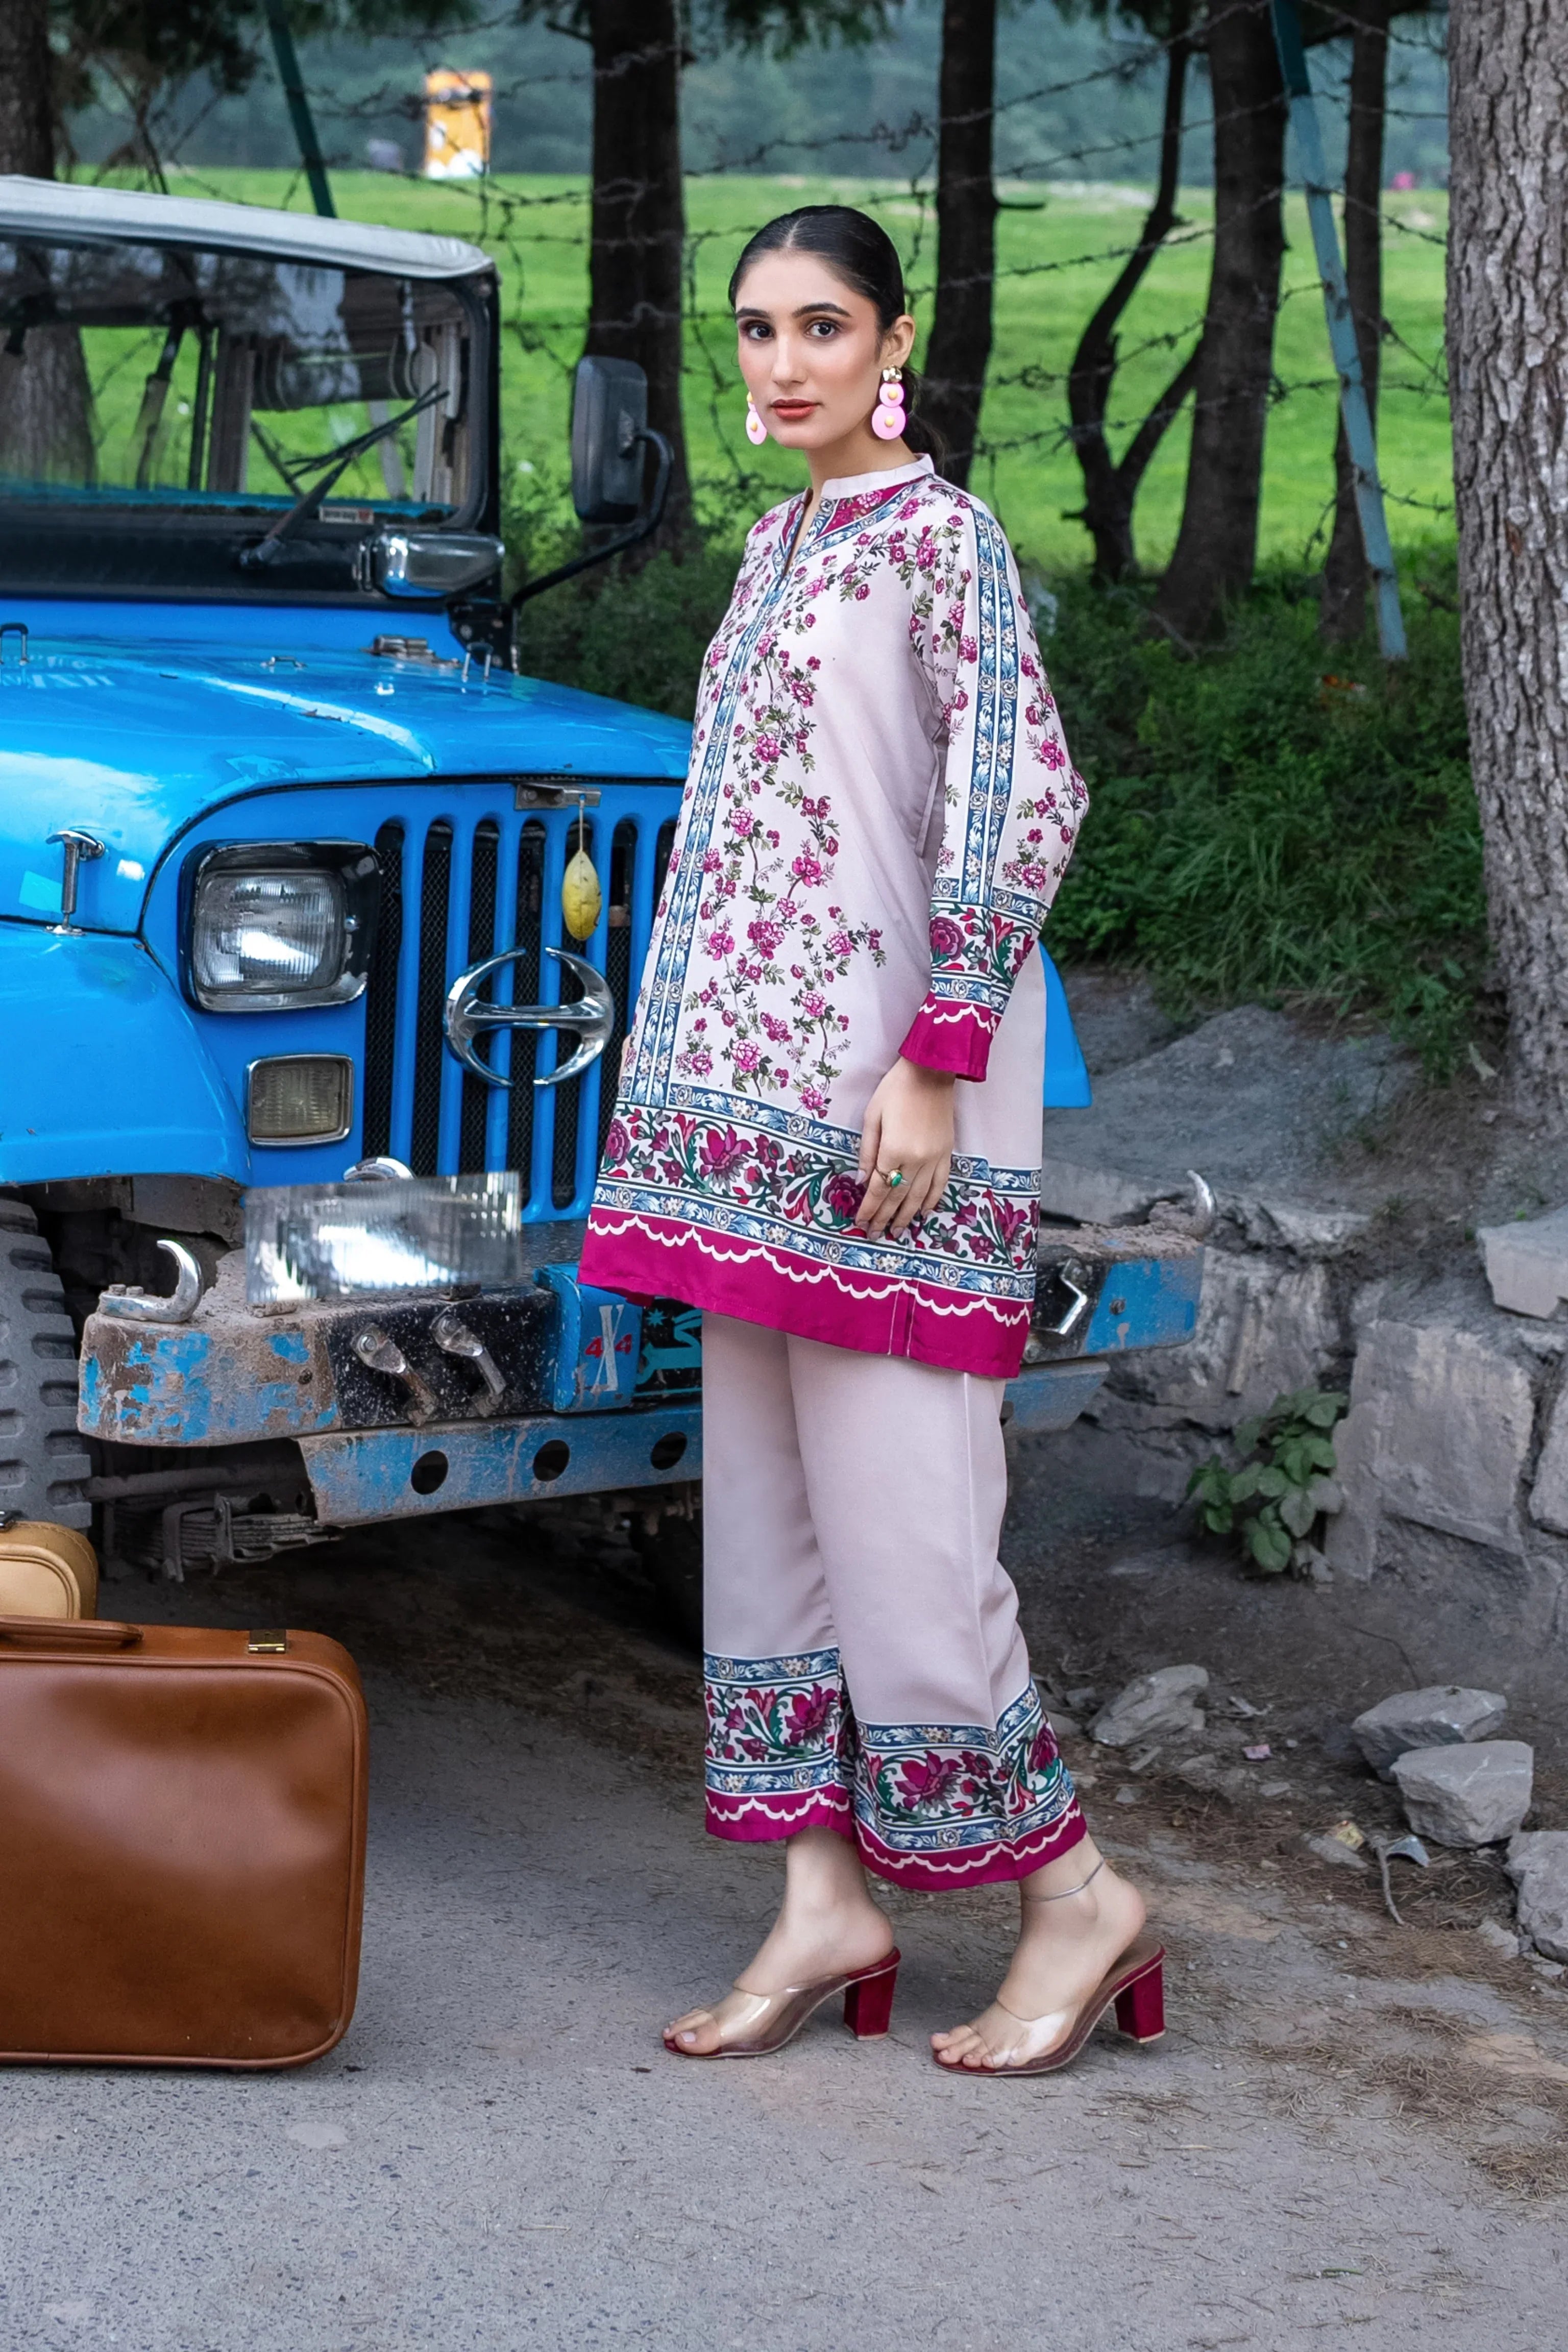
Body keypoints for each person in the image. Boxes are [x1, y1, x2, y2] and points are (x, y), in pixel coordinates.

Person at [577, 205, 1162, 2075]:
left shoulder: (945, 540)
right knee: (764, 1527)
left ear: (893, 341)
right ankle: (824, 1898)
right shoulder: (776, 546)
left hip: (891, 1113)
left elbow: (1020, 796)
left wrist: (941, 1050)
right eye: (755, 329)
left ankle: (1076, 1897)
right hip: (736, 1130)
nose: (782, 363)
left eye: (820, 325)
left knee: (912, 1535)